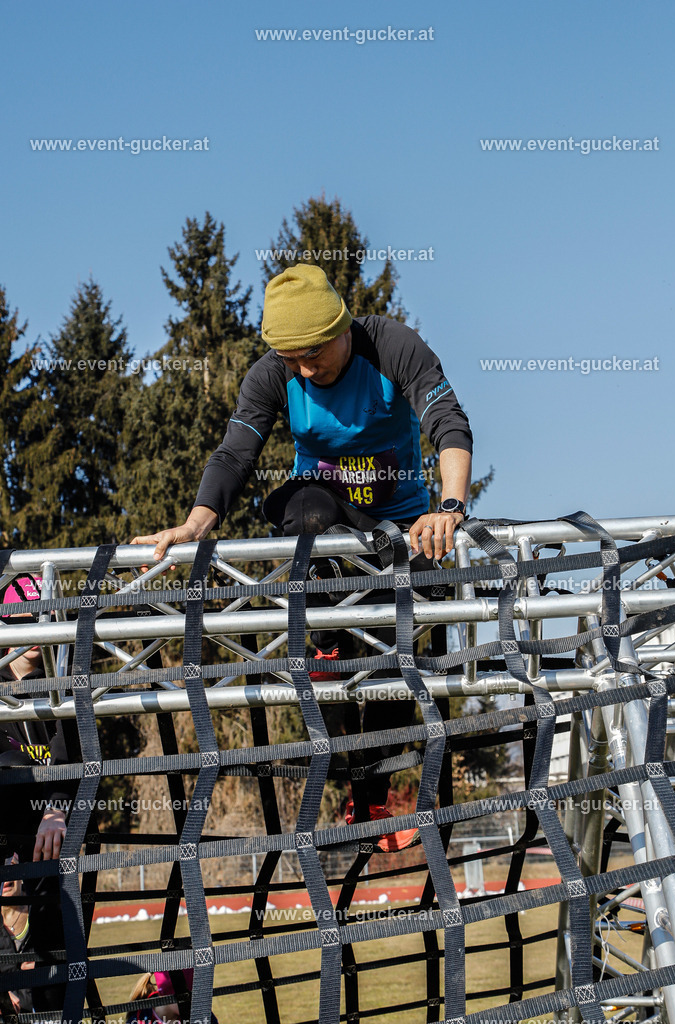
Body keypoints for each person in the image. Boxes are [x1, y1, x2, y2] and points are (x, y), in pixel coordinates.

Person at [132, 264, 473, 850]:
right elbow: (235, 455)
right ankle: (325, 641)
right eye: (294, 360)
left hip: (395, 526)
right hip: (320, 518)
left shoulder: (391, 344)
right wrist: (194, 524)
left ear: (341, 328)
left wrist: (449, 507)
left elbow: (448, 422)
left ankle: (373, 794)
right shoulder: (273, 374)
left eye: (314, 354)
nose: (306, 370)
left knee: (393, 659)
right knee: (310, 509)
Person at [0, 575, 79, 1012]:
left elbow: (77, 756)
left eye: (42, 619)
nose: (34, 631)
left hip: (47, 852)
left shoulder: (61, 687)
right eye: (23, 620)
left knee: (56, 958)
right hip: (8, 846)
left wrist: (55, 807)